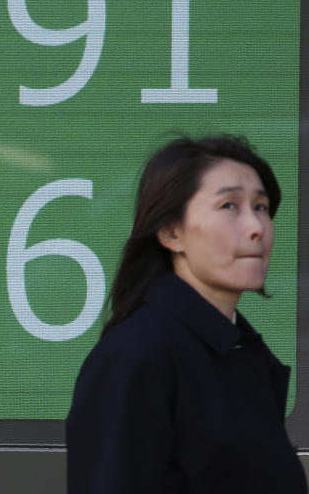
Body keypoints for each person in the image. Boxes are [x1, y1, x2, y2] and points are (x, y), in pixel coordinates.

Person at [65, 135, 306, 493]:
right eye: (229, 206)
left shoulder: (242, 352)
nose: (257, 227)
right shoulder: (136, 356)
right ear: (170, 232)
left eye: (261, 206)